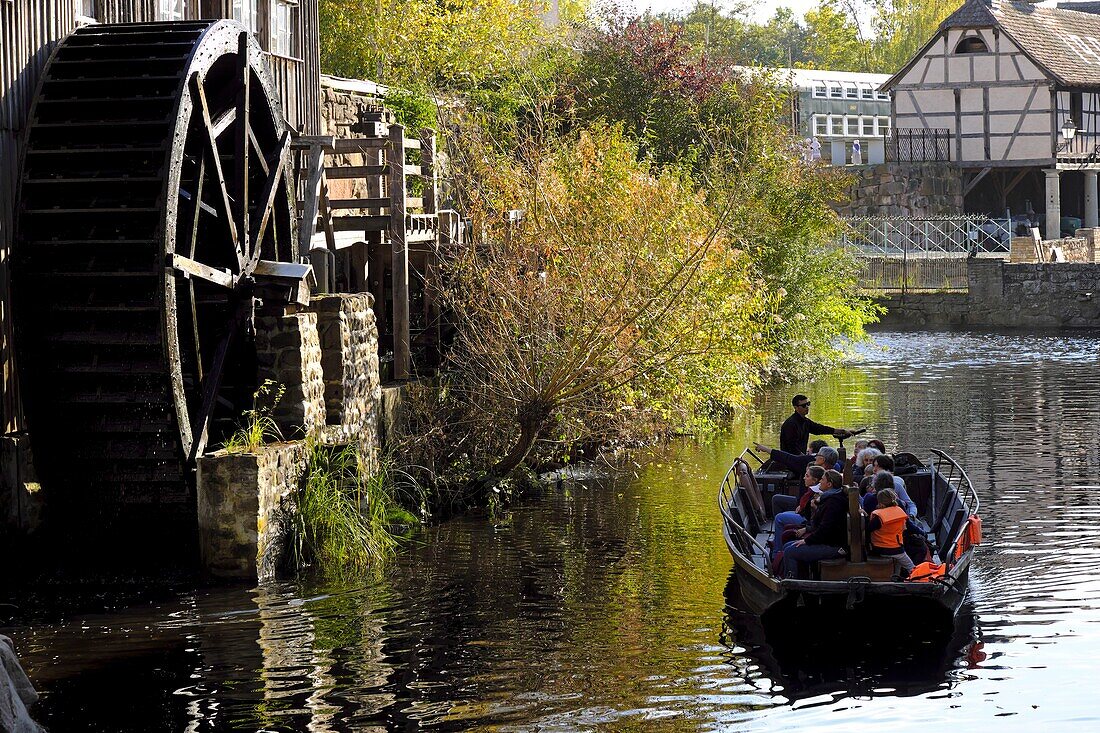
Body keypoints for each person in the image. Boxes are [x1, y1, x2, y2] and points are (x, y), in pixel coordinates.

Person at [780, 469, 848, 578]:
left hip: (835, 546)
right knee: (789, 545)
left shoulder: (833, 503)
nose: (820, 481)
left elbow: (825, 529)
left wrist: (807, 540)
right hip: (828, 541)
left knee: (790, 551)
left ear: (829, 484)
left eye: (822, 479)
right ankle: (801, 578)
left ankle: (791, 586)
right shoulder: (831, 498)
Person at [779, 394, 855, 455]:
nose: (807, 407)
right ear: (796, 408)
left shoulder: (805, 421)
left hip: (799, 457)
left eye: (808, 404)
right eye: (804, 405)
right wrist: (803, 458)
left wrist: (843, 431)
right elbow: (791, 447)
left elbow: (820, 429)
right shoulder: (790, 424)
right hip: (790, 460)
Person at [867, 488, 915, 576]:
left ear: (880, 503)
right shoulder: (900, 512)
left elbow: (868, 529)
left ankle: (894, 577)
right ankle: (916, 578)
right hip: (897, 549)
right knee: (911, 567)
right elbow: (904, 528)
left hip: (880, 549)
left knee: (898, 561)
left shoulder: (878, 517)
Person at [772, 464, 826, 533]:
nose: (804, 478)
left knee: (779, 517)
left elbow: (804, 506)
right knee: (783, 512)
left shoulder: (814, 491)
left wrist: (801, 506)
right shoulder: (816, 489)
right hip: (807, 516)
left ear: (814, 480)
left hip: (807, 520)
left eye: (807, 476)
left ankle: (778, 543)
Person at [754, 442, 838, 479]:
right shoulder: (835, 468)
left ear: (822, 459)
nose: (815, 457)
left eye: (817, 455)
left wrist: (765, 449)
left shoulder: (811, 466)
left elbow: (789, 458)